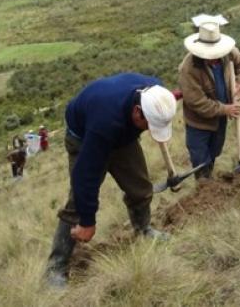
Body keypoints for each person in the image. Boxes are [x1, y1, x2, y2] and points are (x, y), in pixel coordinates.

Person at [45, 74, 177, 287]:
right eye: (149, 125)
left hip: (122, 135)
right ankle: (56, 266)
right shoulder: (104, 123)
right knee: (78, 203)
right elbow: (84, 176)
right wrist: (88, 222)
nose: (150, 131)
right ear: (137, 111)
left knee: (140, 187)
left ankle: (143, 230)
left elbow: (163, 101)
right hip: (84, 137)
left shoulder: (156, 92)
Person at [179, 23, 240, 181]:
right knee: (200, 160)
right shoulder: (188, 68)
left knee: (214, 153)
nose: (214, 57)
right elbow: (196, 102)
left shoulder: (229, 52)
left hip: (219, 121)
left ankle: (209, 185)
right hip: (198, 124)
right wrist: (225, 109)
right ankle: (204, 189)